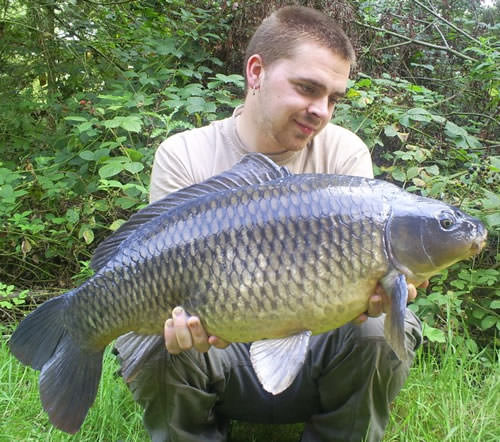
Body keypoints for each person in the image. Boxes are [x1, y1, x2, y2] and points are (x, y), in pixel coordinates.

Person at [115, 6, 425, 441]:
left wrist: (374, 297)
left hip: (313, 359)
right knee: (153, 337)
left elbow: (363, 298)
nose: (321, 111)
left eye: (333, 98)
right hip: (217, 356)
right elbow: (155, 272)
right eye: (307, 88)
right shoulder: (184, 155)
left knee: (384, 324)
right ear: (256, 72)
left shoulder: (344, 154)